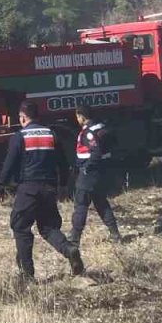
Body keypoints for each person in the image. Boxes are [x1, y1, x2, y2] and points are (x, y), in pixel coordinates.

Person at [0, 100, 84, 281]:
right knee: (49, 228)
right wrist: (64, 184)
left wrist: (0, 186)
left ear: (22, 117)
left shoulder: (20, 136)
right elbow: (63, 162)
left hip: (28, 188)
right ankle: (69, 249)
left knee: (20, 227)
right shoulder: (51, 134)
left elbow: (9, 164)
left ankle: (27, 274)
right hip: (49, 188)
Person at [69, 105, 123, 246]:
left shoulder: (88, 132)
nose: (76, 119)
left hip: (89, 174)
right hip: (102, 173)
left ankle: (74, 240)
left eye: (77, 116)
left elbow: (96, 152)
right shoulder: (101, 127)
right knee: (101, 203)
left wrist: (86, 168)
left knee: (81, 204)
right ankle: (115, 233)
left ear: (81, 116)